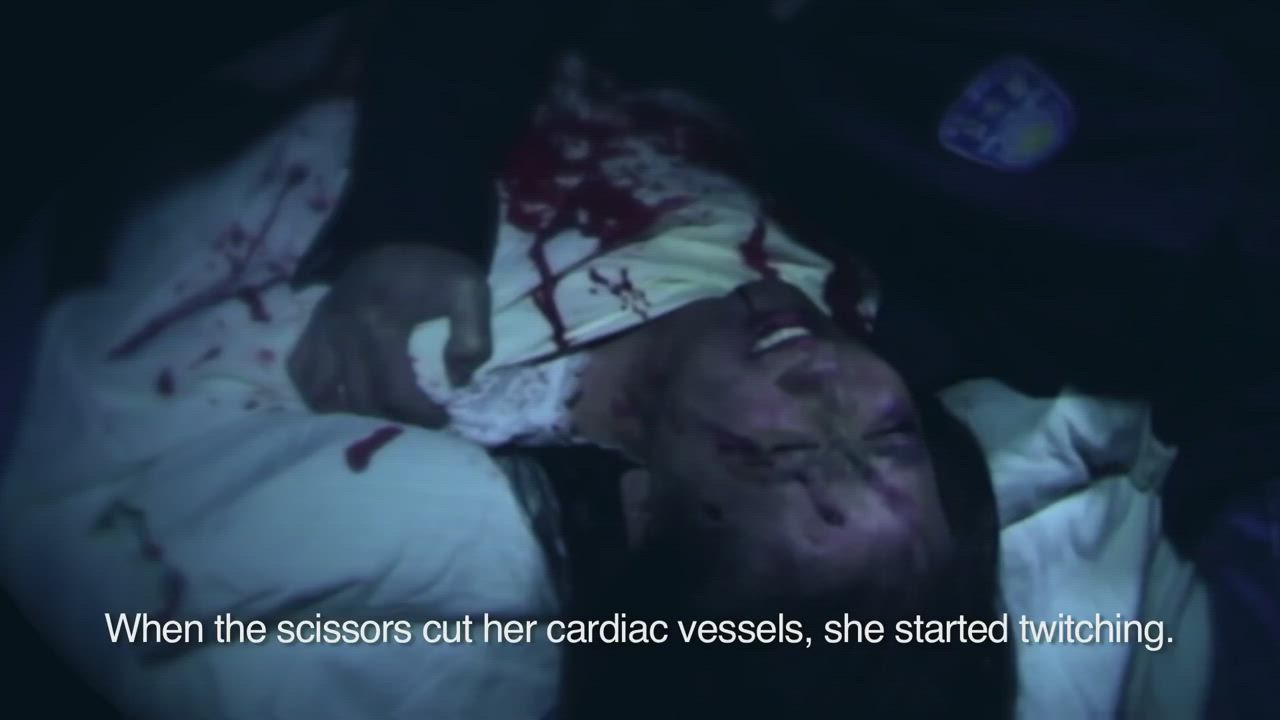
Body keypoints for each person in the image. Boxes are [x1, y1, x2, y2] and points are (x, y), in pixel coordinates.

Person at [288, 1, 1280, 713]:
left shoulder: (423, 372)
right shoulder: (1087, 260)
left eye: (782, 455)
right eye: (888, 435)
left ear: (640, 503)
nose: (826, 390)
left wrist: (412, 212)